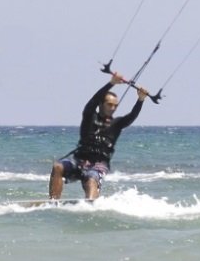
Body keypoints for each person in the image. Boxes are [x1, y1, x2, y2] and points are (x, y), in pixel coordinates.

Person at [49, 72, 148, 200]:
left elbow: (131, 117)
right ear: (101, 104)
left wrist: (140, 99)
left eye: (115, 106)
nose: (113, 108)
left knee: (91, 179)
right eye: (109, 104)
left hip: (98, 165)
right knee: (58, 166)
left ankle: (91, 205)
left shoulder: (116, 124)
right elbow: (94, 100)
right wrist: (111, 83)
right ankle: (53, 201)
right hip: (78, 160)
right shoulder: (90, 116)